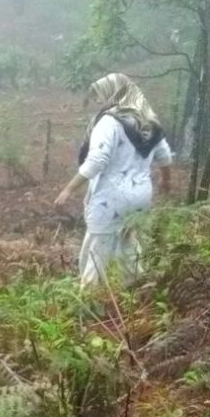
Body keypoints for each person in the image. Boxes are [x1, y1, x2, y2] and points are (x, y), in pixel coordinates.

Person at [54, 73, 173, 289]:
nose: (100, 101)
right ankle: (138, 291)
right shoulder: (148, 122)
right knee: (128, 244)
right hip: (141, 196)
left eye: (101, 95)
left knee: (95, 251)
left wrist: (68, 190)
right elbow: (164, 155)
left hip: (111, 198)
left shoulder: (110, 122)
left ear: (114, 93)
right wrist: (166, 181)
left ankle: (88, 303)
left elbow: (98, 160)